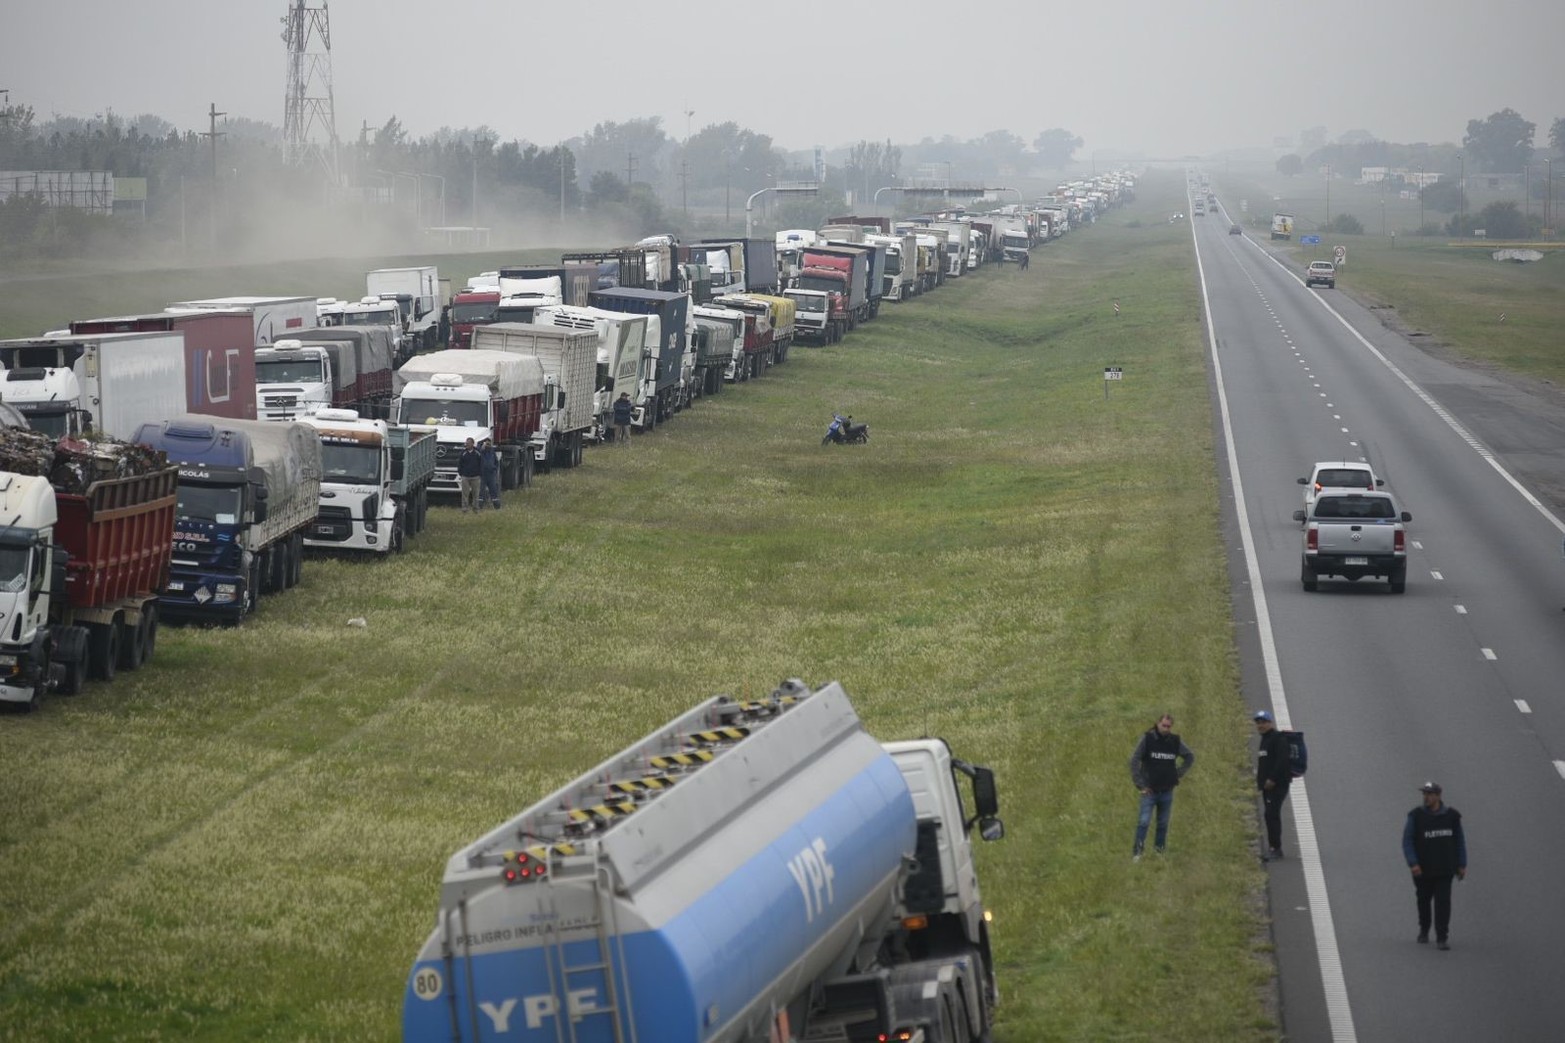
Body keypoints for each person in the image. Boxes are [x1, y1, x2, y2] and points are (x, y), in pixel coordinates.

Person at [1402, 781, 1467, 950]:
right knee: (1423, 900)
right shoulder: (1415, 816)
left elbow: (1459, 841)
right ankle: (1424, 929)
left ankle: (1442, 937)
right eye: (1424, 794)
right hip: (1423, 870)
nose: (1426, 797)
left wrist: (1462, 864)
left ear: (1438, 796)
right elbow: (1407, 841)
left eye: (1429, 794)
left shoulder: (1452, 816)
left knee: (1443, 902)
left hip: (1445, 868)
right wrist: (1413, 863)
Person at [1128, 713, 1195, 860]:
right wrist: (1140, 784)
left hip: (1166, 791)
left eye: (1168, 726)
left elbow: (1190, 756)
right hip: (1149, 790)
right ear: (1157, 723)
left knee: (1163, 824)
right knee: (1144, 822)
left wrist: (1177, 774)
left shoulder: (1175, 741)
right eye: (1163, 725)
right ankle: (1137, 853)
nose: (1165, 729)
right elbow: (1134, 760)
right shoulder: (1147, 739)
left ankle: (1159, 852)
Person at [1254, 710, 1292, 861]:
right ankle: (1274, 848)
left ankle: (1275, 848)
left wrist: (1272, 779)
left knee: (1271, 814)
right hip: (1267, 786)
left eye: (1263, 722)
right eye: (1258, 722)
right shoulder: (1264, 739)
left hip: (1277, 785)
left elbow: (1282, 761)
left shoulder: (1278, 738)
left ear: (1270, 722)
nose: (1260, 725)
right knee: (1269, 815)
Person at [456, 436, 482, 512]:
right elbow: (460, 463)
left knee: (476, 493)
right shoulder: (463, 453)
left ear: (473, 444)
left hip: (475, 476)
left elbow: (481, 463)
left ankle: (476, 508)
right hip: (465, 476)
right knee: (465, 494)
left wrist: (479, 473)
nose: (467, 445)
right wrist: (461, 473)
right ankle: (464, 508)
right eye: (466, 443)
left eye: (469, 443)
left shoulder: (478, 453)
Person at [477, 438, 502, 510]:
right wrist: (482, 443)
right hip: (482, 474)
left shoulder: (492, 451)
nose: (488, 445)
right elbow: (478, 446)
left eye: (489, 443)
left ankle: (497, 506)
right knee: (481, 491)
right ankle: (480, 506)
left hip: (491, 474)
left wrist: (494, 469)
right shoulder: (480, 451)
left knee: (494, 490)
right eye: (487, 443)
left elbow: (496, 462)